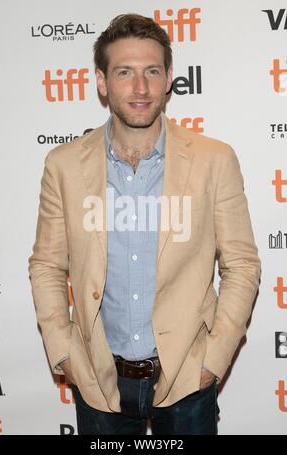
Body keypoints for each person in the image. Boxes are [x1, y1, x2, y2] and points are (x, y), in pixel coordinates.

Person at [28, 13, 261, 435]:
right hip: (99, 381)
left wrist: (214, 359)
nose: (140, 88)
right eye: (125, 73)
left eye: (152, 71)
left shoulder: (213, 160)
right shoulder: (62, 166)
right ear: (102, 82)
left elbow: (242, 265)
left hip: (188, 379)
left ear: (170, 78)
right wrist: (64, 352)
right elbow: (46, 264)